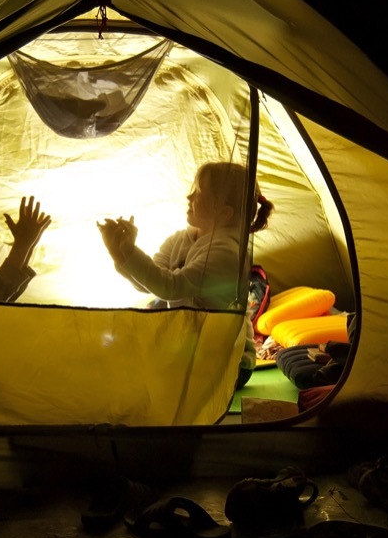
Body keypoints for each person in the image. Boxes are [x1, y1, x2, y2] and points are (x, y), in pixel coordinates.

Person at [98, 161, 273, 388]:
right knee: (123, 352)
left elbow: (169, 287)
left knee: (134, 365)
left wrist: (130, 250)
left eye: (198, 193)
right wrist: (119, 254)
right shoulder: (181, 239)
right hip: (191, 349)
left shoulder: (226, 253)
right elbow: (150, 283)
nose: (189, 198)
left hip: (229, 363)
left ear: (223, 212)